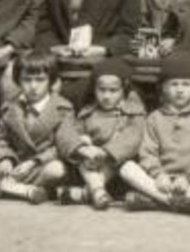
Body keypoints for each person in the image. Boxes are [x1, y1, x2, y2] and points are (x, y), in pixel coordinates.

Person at [118, 52, 190, 218]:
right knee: (127, 168)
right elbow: (147, 152)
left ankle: (158, 202)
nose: (180, 90)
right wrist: (158, 175)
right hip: (161, 182)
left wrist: (188, 178)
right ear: (163, 87)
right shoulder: (155, 117)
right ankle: (181, 203)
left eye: (186, 84)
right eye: (174, 84)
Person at [0, 49, 73, 203]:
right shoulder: (10, 107)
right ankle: (23, 191)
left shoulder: (63, 108)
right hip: (14, 167)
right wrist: (4, 159)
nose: (33, 86)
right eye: (27, 80)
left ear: (51, 81)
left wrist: (34, 162)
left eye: (40, 80)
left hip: (39, 167)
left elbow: (62, 146)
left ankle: (3, 188)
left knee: (57, 169)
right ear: (18, 80)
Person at [55, 57, 146, 209]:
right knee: (82, 160)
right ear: (94, 89)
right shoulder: (87, 113)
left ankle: (91, 191)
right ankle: (97, 192)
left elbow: (133, 137)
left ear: (124, 90)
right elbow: (69, 132)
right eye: (102, 90)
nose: (106, 96)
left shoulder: (134, 112)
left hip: (117, 170)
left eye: (113, 91)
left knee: (118, 160)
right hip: (90, 166)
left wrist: (105, 152)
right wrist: (82, 146)